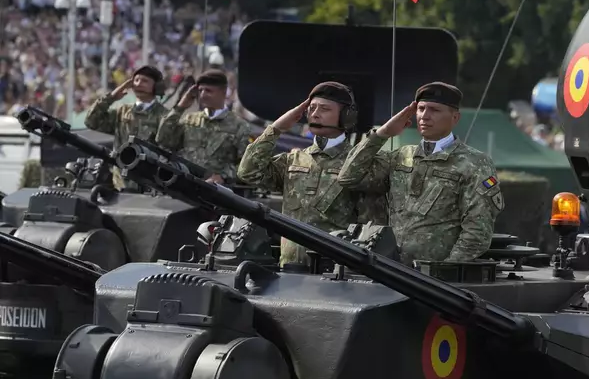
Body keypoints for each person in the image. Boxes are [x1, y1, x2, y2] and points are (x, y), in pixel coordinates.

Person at [337, 82, 504, 266]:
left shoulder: (474, 162)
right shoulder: (400, 156)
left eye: (434, 110)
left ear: (455, 117)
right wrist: (382, 134)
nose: (424, 116)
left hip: (434, 280)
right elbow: (348, 177)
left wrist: (445, 272)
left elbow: (477, 230)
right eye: (421, 109)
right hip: (389, 270)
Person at [237, 81, 388, 267]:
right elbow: (248, 172)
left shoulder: (358, 165)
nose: (315, 113)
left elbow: (371, 226)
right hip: (290, 268)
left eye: (324, 109)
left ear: (346, 117)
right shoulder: (293, 160)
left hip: (335, 273)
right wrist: (275, 129)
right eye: (312, 108)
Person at [156, 69, 250, 184]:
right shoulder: (189, 120)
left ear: (223, 92)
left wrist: (223, 177)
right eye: (200, 91)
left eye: (208, 91)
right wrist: (180, 107)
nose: (203, 95)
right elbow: (163, 140)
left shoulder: (239, 126)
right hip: (184, 186)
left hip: (217, 194)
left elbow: (247, 166)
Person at [84, 65, 169, 191]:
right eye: (136, 80)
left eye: (145, 81)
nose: (139, 84)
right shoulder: (122, 111)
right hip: (120, 184)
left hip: (149, 186)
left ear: (156, 86)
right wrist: (111, 97)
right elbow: (91, 121)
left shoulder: (164, 116)